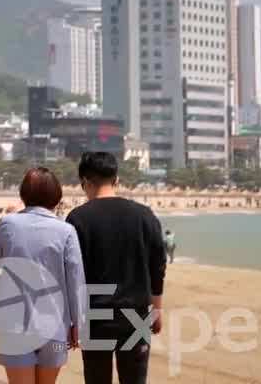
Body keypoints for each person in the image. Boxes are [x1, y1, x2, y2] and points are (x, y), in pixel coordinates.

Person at [68, 151, 165, 384]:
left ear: (84, 183)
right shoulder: (145, 216)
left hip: (94, 317)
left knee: (97, 379)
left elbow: (72, 274)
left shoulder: (77, 219)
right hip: (137, 315)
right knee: (134, 379)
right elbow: (157, 267)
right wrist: (157, 310)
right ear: (116, 180)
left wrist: (71, 319)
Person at [0, 167, 85, 384]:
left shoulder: (7, 224)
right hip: (55, 326)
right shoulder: (66, 231)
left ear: (23, 195)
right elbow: (76, 282)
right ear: (57, 197)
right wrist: (78, 324)